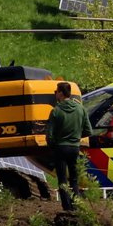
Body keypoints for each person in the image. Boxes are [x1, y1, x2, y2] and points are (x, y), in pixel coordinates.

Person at [45, 80, 90, 212]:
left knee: (62, 179)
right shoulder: (80, 109)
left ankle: (67, 207)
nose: (55, 94)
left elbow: (49, 135)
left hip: (60, 147)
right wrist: (76, 137)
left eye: (56, 92)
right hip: (74, 147)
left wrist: (53, 146)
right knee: (74, 179)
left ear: (60, 93)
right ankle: (76, 205)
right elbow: (88, 130)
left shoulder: (56, 111)